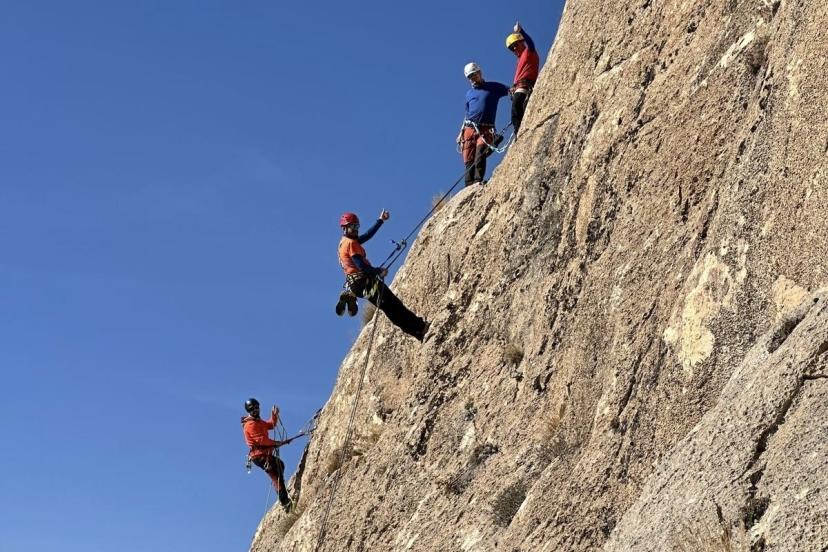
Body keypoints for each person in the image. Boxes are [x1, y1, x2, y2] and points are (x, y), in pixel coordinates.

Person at [336, 210, 429, 341]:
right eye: (353, 227)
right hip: (364, 282)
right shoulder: (351, 244)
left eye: (357, 226)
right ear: (345, 228)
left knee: (390, 306)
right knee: (393, 306)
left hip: (358, 284)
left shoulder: (345, 241)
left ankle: (418, 329)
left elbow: (367, 236)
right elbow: (361, 266)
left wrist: (380, 221)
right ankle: (419, 328)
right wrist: (378, 271)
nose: (356, 230)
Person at [456, 63, 510, 187]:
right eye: (470, 77)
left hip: (485, 128)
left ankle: (477, 180)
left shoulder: (493, 87)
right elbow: (467, 114)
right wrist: (460, 133)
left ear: (480, 73)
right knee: (469, 160)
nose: (472, 79)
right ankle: (469, 186)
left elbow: (510, 90)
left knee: (480, 153)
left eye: (474, 75)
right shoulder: (469, 94)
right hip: (469, 128)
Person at [241, 398, 292, 510]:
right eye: (252, 409)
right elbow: (261, 440)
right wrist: (277, 443)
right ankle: (285, 501)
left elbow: (270, 425)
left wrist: (274, 415)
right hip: (259, 455)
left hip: (263, 454)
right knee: (276, 470)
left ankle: (282, 493)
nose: (255, 410)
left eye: (256, 408)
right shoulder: (250, 424)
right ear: (248, 411)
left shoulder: (258, 422)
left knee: (279, 466)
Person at [505, 22, 540, 136]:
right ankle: (518, 132)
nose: (514, 49)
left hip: (525, 86)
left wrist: (521, 31)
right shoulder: (519, 60)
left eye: (516, 45)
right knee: (516, 109)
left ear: (522, 42)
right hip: (519, 87)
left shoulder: (529, 52)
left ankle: (518, 133)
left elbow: (530, 43)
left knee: (516, 107)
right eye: (512, 48)